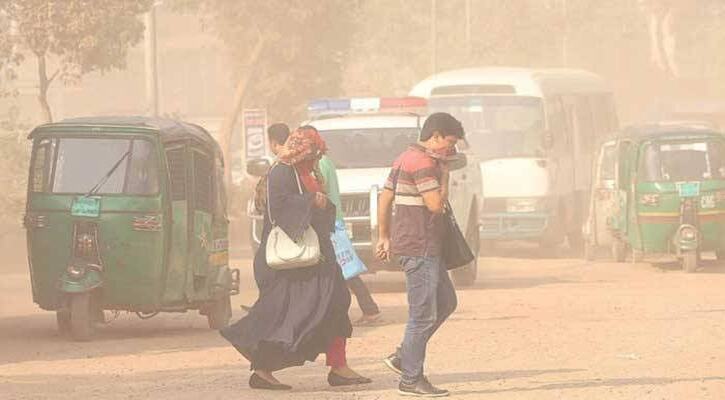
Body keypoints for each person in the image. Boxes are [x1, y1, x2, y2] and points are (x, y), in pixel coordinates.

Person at [221, 126, 371, 390]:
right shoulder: (281, 172)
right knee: (287, 315)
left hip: (318, 257)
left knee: (337, 302)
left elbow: (322, 206)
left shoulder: (307, 173)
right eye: (313, 155)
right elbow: (279, 209)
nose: (316, 161)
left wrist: (320, 201)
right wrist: (312, 200)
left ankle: (339, 366)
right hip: (292, 263)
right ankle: (261, 366)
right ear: (301, 152)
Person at [376, 113, 465, 397]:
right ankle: (411, 379)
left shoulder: (404, 157)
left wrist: (384, 235)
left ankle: (404, 356)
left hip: (417, 244)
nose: (451, 150)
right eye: (449, 143)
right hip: (421, 246)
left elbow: (385, 197)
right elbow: (436, 204)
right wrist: (446, 173)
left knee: (446, 302)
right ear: (436, 136)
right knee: (422, 315)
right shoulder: (426, 164)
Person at [310, 125, 382, 325]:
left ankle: (369, 308)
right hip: (333, 221)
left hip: (329, 223)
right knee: (343, 269)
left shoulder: (319, 164)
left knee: (345, 269)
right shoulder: (325, 161)